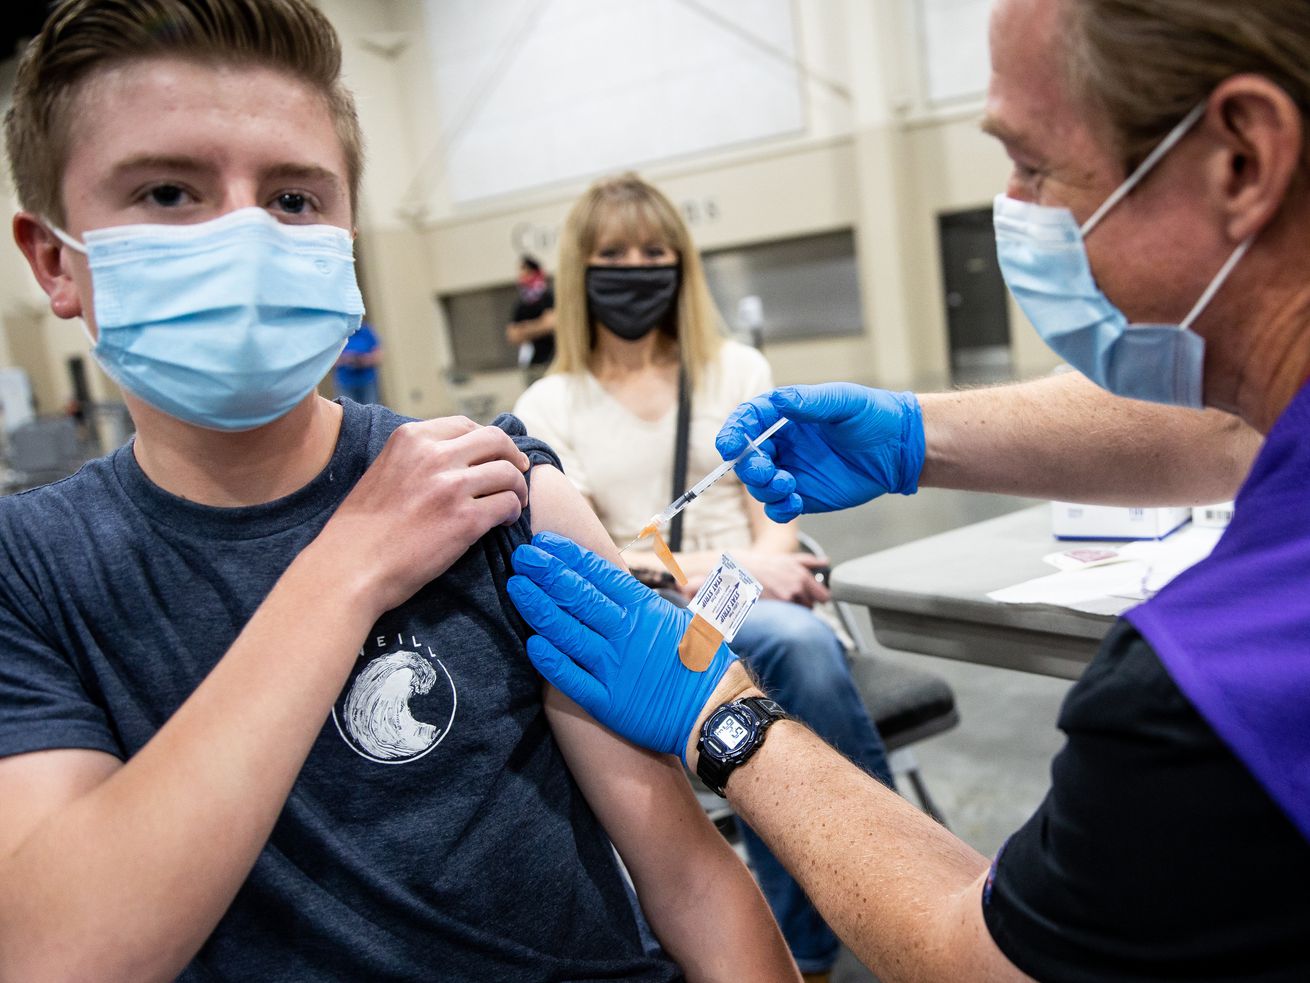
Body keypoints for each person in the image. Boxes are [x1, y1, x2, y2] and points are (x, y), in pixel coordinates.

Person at [506, 0, 1310, 979]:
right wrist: (916, 435)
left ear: (1240, 159)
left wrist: (722, 714)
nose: (1011, 205)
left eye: (1035, 163)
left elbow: (982, 958)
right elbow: (1230, 420)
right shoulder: (551, 399)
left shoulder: (1213, 683)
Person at [0, 2, 799, 980]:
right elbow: (60, 952)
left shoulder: (496, 492)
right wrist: (349, 563)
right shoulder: (29, 571)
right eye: (168, 191)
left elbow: (692, 879)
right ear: (54, 260)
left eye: (295, 200)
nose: (245, 236)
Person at [513, 172, 893, 980]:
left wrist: (765, 559)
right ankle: (828, 935)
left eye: (655, 251)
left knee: (794, 639)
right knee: (789, 644)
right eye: (614, 254)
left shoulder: (737, 371)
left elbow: (775, 510)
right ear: (580, 271)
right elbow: (594, 557)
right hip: (650, 607)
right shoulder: (551, 404)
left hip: (760, 589)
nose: (636, 268)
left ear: (682, 263)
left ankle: (867, 899)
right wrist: (730, 566)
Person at [506, 255, 557, 374]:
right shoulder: (521, 304)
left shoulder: (548, 297)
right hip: (532, 364)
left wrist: (524, 328)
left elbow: (551, 323)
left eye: (523, 270)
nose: (520, 275)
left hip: (552, 360)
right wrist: (539, 325)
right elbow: (513, 335)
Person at [332, 319, 382, 405]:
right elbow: (331, 360)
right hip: (345, 382)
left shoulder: (366, 332)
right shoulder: (339, 335)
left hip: (367, 380)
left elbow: (378, 355)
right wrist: (346, 359)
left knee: (370, 409)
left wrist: (362, 360)